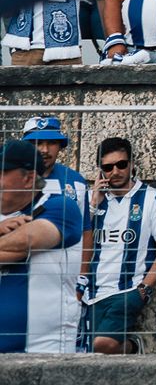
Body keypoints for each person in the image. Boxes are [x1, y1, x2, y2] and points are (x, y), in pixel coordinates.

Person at [83, 137, 156, 354]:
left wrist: (144, 288)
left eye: (121, 164)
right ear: (100, 171)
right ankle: (129, 350)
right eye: (108, 167)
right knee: (87, 352)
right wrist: (93, 204)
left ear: (132, 165)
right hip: (91, 291)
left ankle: (134, 348)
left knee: (101, 345)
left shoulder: (151, 198)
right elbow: (74, 241)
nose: (115, 171)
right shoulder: (90, 200)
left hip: (128, 290)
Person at [0, 137, 84, 354]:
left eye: (2, 172)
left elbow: (26, 241)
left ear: (28, 179)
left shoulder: (60, 206)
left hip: (45, 355)